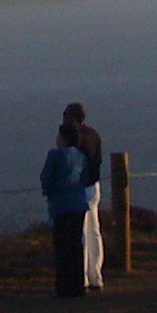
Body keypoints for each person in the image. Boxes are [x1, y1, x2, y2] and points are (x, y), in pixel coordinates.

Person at [41, 123, 88, 298]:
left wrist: (49, 192)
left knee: (62, 247)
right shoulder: (81, 156)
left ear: (63, 137)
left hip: (61, 205)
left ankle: (64, 287)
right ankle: (78, 285)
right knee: (76, 245)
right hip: (79, 204)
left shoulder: (54, 155)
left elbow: (46, 179)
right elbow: (84, 177)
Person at [63, 102, 104, 292]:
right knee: (94, 231)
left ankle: (83, 278)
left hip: (80, 188)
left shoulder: (75, 137)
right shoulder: (94, 134)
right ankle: (96, 276)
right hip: (94, 186)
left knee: (81, 234)